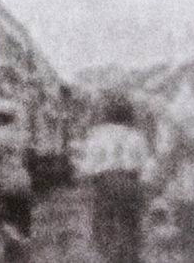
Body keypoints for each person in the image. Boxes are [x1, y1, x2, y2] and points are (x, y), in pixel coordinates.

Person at [78, 92, 153, 263]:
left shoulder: (96, 134)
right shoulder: (136, 135)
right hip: (130, 181)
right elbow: (146, 166)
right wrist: (146, 189)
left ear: (106, 114)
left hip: (105, 182)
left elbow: (88, 165)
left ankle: (109, 257)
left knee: (105, 225)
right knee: (130, 226)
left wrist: (85, 187)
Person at [0, 105, 33, 262]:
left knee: (3, 219)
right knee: (22, 222)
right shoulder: (21, 136)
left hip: (5, 180)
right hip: (23, 180)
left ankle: (15, 248)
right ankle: (23, 251)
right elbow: (26, 160)